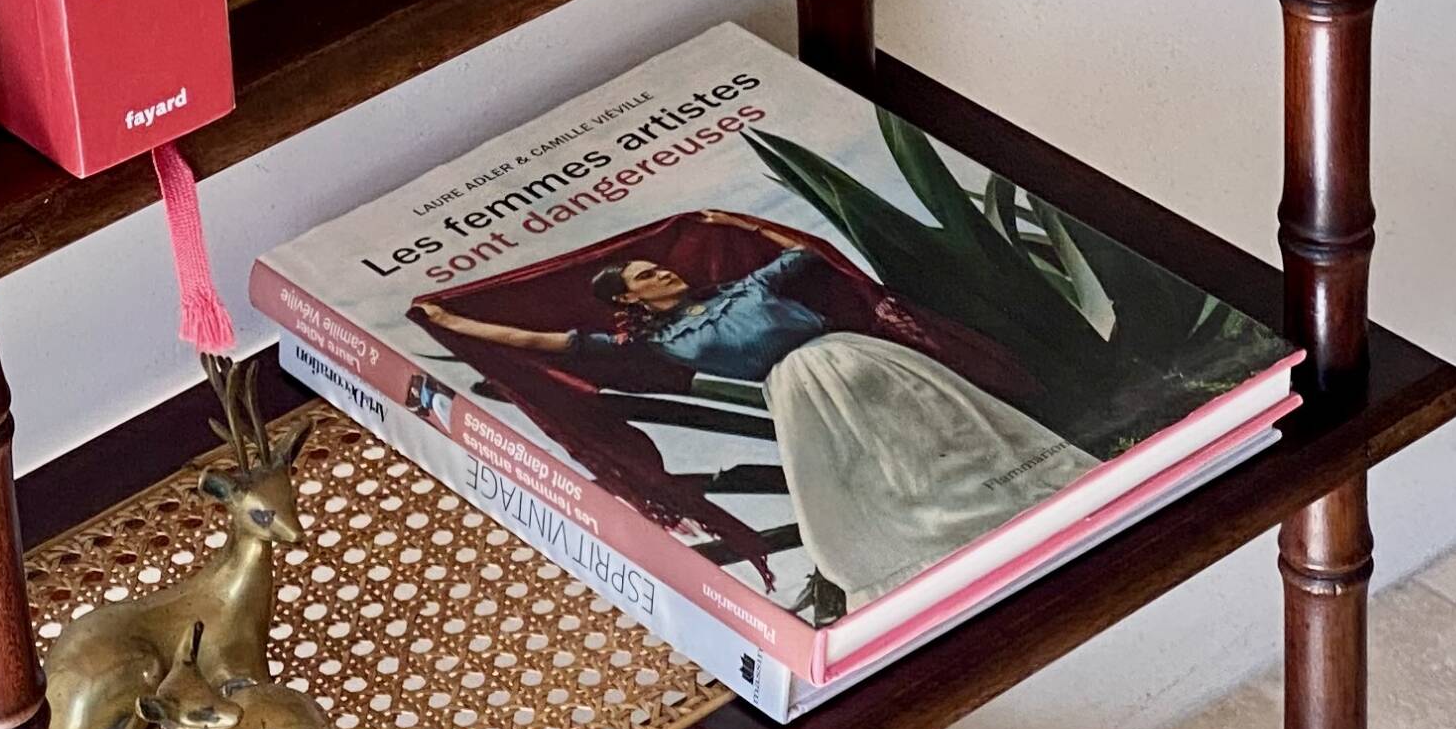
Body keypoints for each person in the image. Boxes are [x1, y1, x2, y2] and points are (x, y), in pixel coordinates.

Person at [420, 213, 1092, 616]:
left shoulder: (746, 287)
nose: (663, 275)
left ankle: (1035, 507)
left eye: (659, 267)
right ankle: (936, 559)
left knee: (952, 432)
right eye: (646, 277)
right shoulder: (657, 342)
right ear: (629, 299)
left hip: (859, 356)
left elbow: (800, 254)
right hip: (799, 394)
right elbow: (541, 342)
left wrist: (740, 228)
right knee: (870, 479)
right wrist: (453, 322)